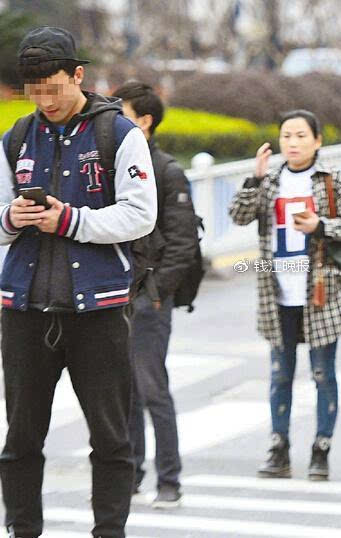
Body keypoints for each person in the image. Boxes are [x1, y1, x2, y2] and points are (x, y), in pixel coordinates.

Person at [0, 27, 157, 538]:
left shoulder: (119, 134)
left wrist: (71, 220)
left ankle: (109, 530)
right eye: (34, 90)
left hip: (101, 310)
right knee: (21, 438)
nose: (44, 99)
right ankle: (23, 530)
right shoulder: (16, 138)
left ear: (78, 75)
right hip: (23, 309)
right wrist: (12, 218)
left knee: (110, 438)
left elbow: (141, 216)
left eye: (53, 87)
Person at [229, 110, 341, 481]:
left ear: (317, 140)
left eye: (301, 135)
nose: (293, 143)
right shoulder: (269, 180)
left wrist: (321, 226)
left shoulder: (331, 178)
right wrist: (253, 179)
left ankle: (321, 449)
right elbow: (238, 216)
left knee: (323, 374)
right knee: (279, 374)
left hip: (321, 290)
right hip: (276, 290)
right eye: (287, 135)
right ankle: (279, 447)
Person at [111, 81, 199, 508]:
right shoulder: (116, 165)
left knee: (151, 388)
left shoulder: (166, 170)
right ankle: (129, 474)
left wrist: (155, 293)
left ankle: (170, 479)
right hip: (116, 294)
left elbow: (183, 245)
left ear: (144, 121)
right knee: (122, 389)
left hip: (148, 297)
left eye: (120, 111)